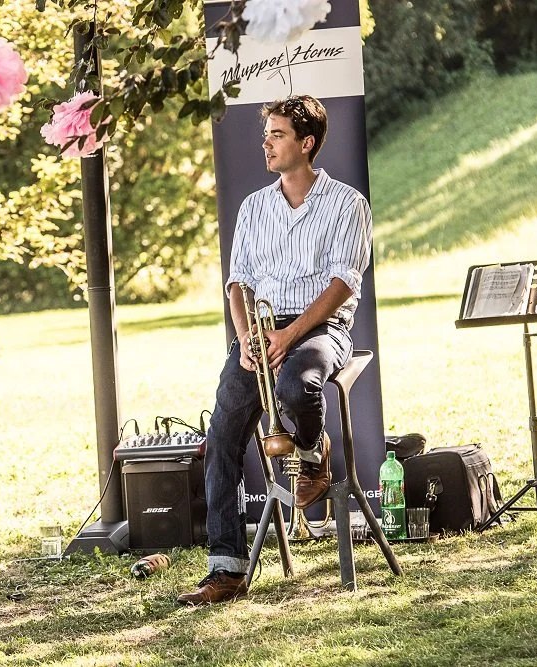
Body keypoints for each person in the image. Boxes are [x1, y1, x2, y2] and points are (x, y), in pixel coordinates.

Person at [177, 95, 372, 605]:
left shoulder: (348, 204)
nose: (266, 142)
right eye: (267, 134)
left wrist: (290, 337)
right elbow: (237, 282)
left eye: (278, 134)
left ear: (306, 144)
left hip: (321, 328)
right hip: (259, 333)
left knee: (297, 384)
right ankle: (227, 569)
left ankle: (312, 453)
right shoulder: (254, 206)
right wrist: (246, 338)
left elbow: (343, 284)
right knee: (220, 435)